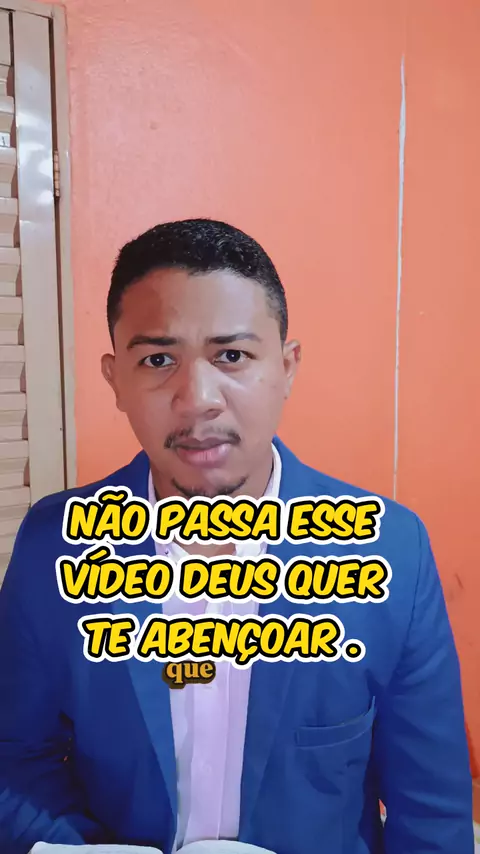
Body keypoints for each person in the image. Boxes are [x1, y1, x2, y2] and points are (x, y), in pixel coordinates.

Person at [0, 219, 473, 854]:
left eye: (232, 356)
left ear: (287, 367)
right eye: (158, 359)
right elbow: (14, 760)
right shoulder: (54, 545)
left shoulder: (391, 550)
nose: (198, 399)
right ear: (115, 379)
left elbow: (431, 811)